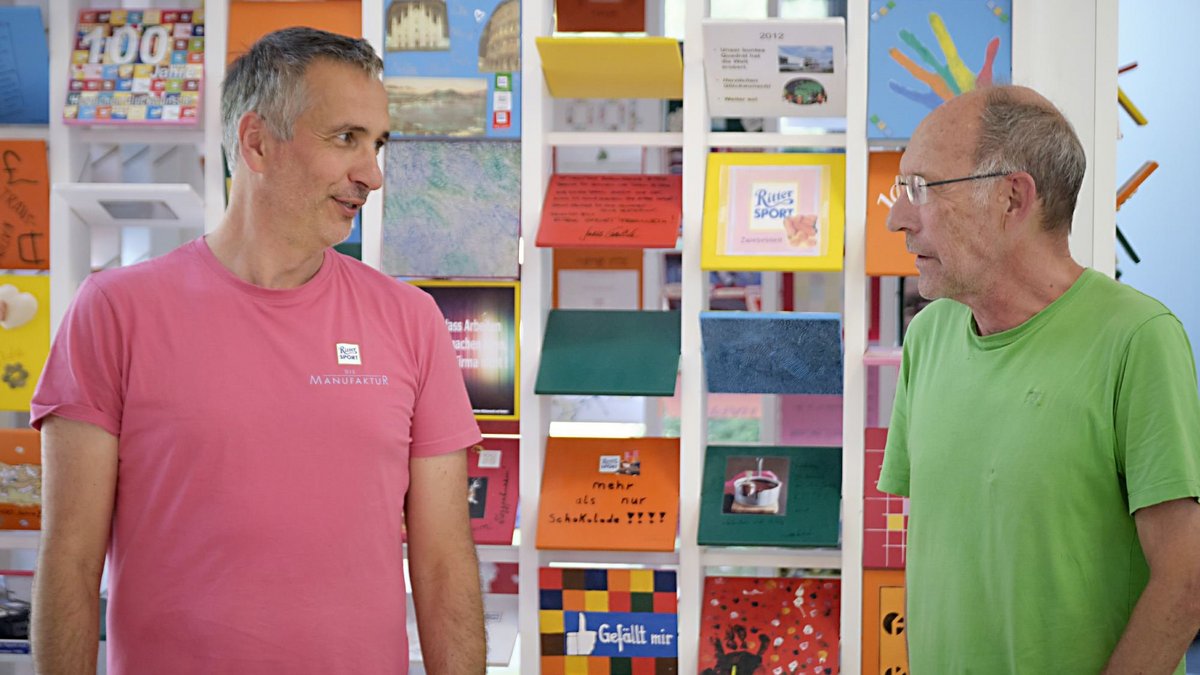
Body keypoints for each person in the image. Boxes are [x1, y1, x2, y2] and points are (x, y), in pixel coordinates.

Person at [30, 28, 486, 674]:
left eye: (378, 144)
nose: (373, 174)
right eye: (346, 138)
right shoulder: (111, 314)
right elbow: (70, 562)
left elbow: (444, 566)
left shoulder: (411, 321)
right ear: (256, 142)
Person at [880, 84, 1200, 674]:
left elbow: (1186, 580)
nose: (898, 218)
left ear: (1011, 198)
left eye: (920, 189)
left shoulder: (1138, 338)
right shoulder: (927, 338)